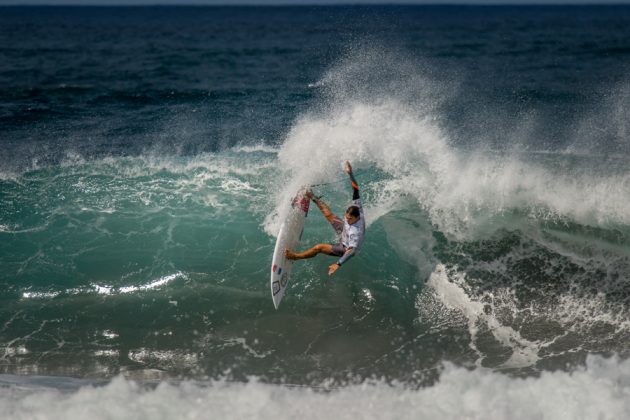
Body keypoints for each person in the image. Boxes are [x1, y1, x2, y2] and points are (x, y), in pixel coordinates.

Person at [285, 161, 365, 277]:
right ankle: (311, 195)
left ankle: (295, 257)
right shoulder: (357, 208)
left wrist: (338, 264)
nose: (347, 220)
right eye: (346, 217)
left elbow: (351, 251)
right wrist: (350, 173)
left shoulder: (355, 233)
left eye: (350, 219)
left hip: (345, 247)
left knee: (319, 247)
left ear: (357, 218)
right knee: (329, 215)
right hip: (344, 231)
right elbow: (356, 188)